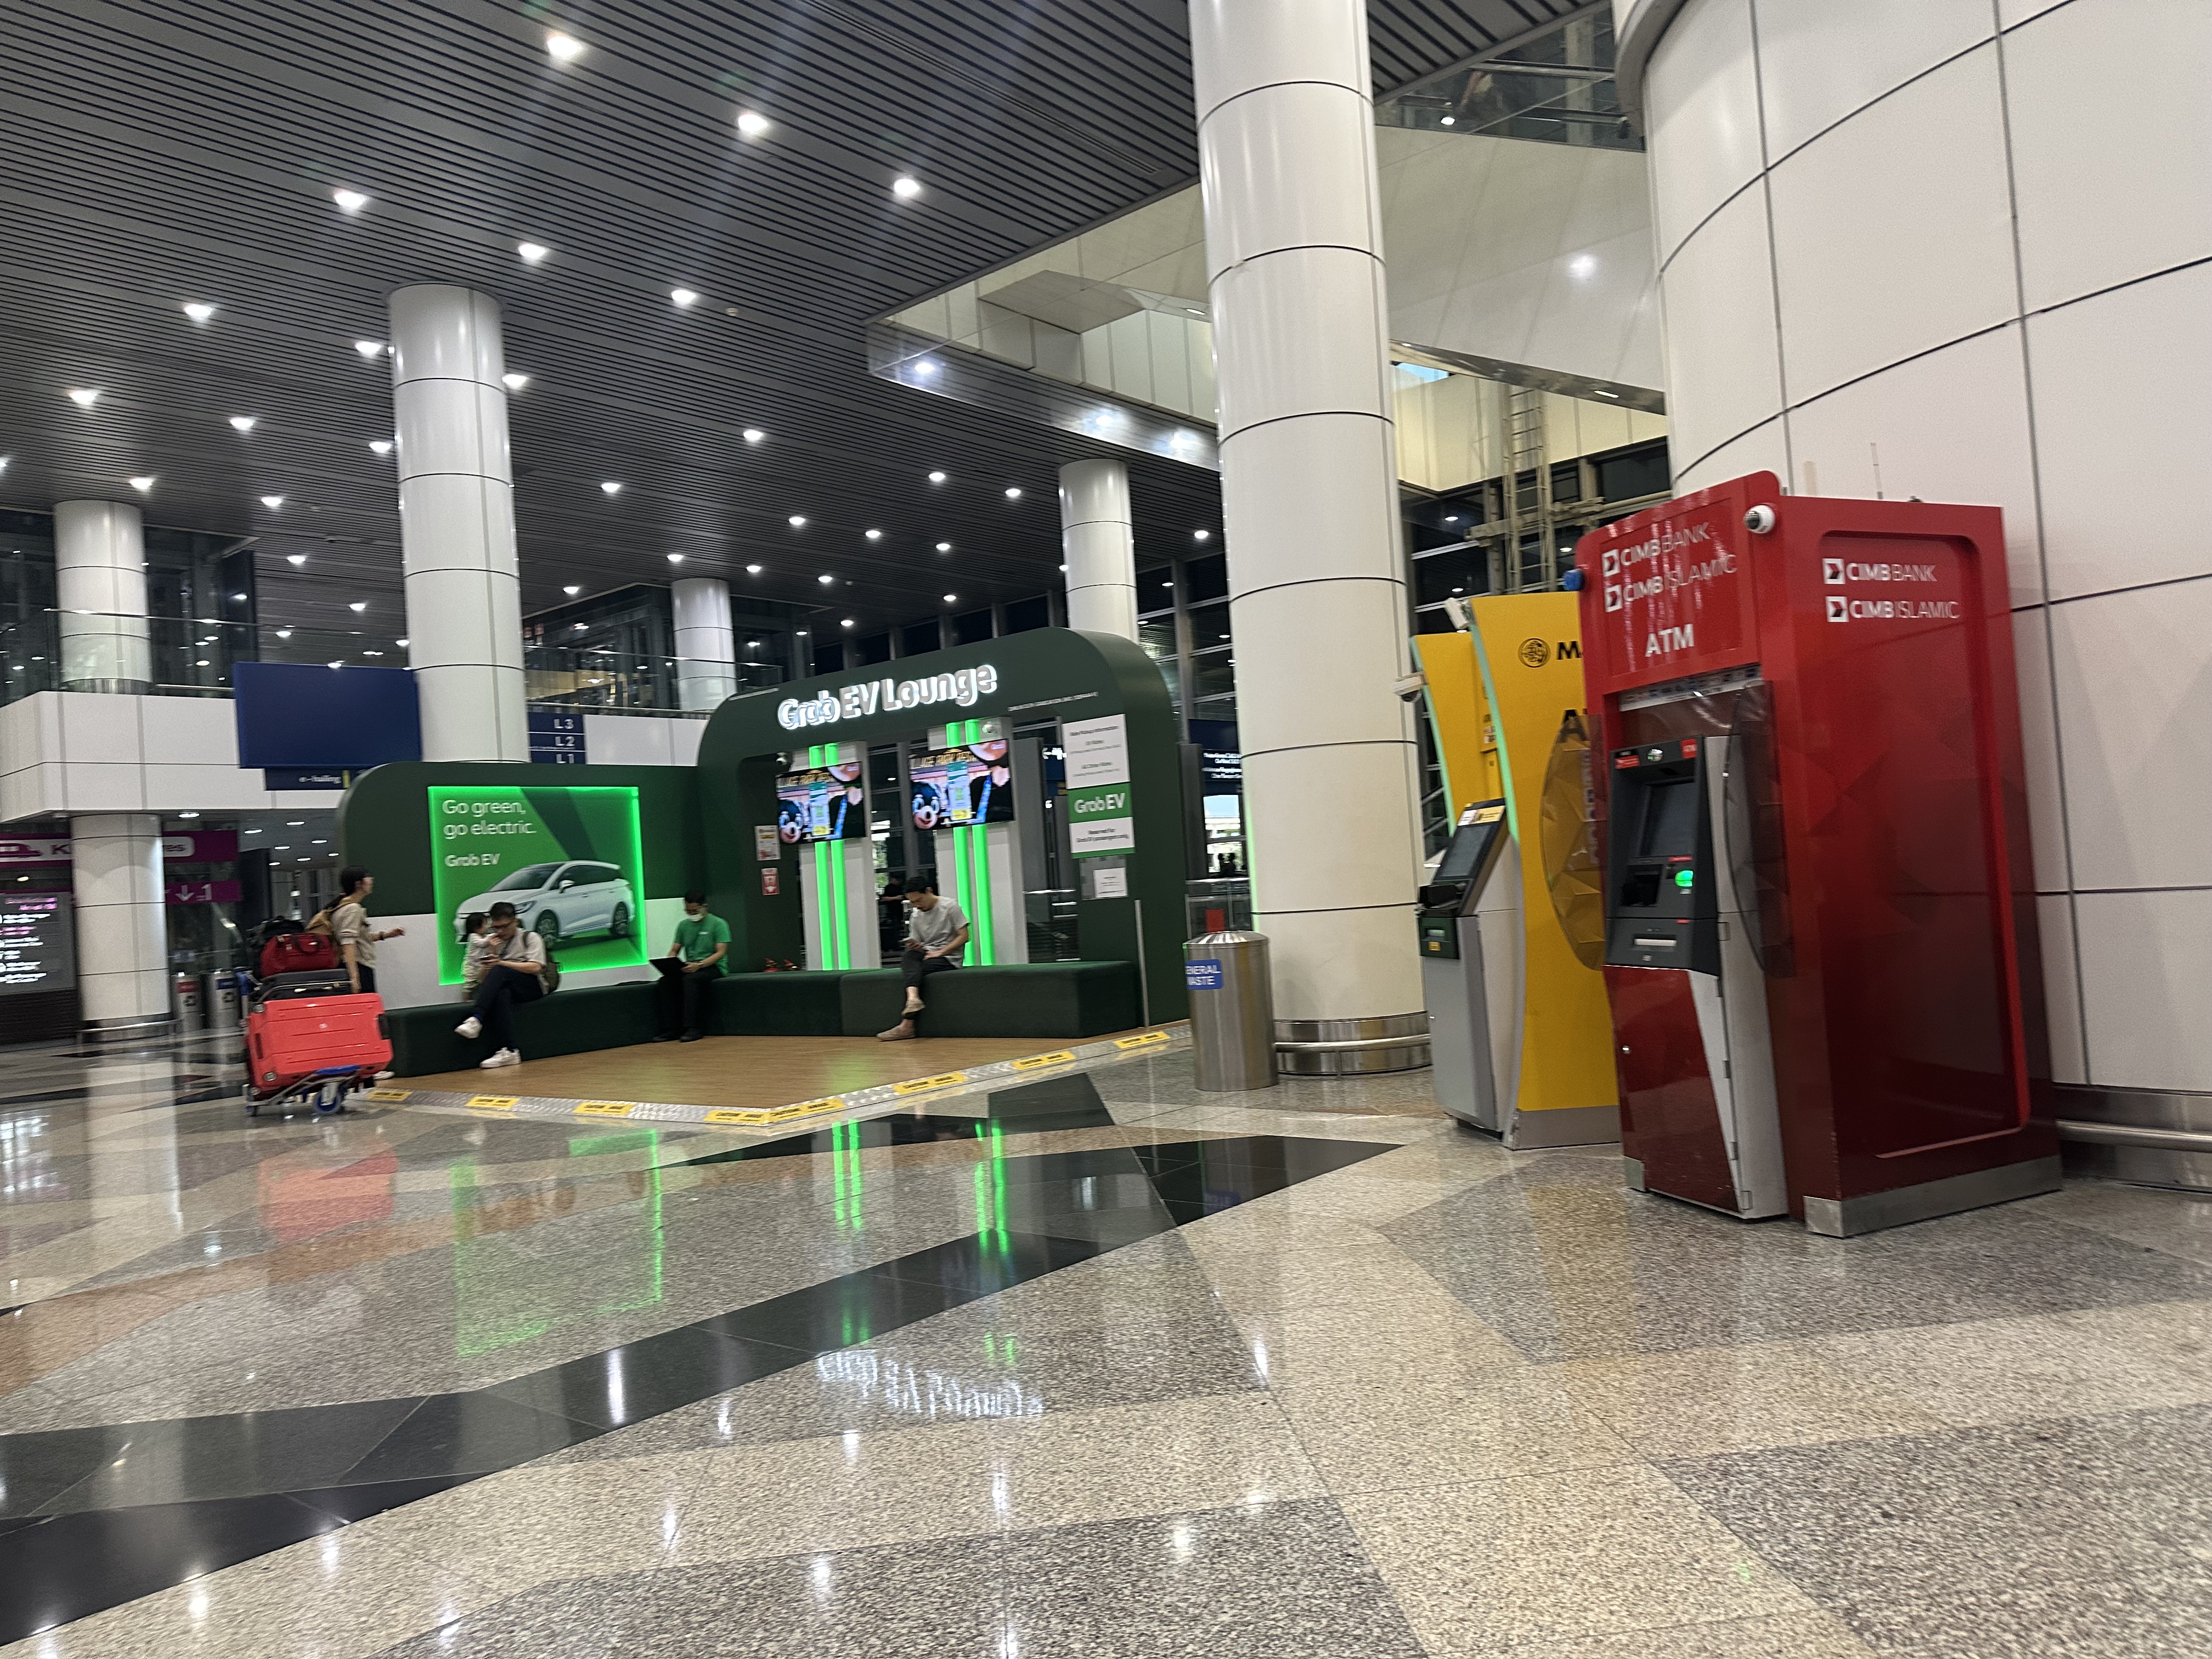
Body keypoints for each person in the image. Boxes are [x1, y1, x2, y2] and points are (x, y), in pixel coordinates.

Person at [454, 901, 547, 1068]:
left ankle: (476, 1018)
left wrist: (503, 964)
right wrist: (492, 953)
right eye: (496, 928)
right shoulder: (494, 942)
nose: (500, 932)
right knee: (502, 993)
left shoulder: (530, 938)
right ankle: (509, 1050)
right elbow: (484, 980)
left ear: (515, 922)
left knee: (501, 970)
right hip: (509, 985)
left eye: (504, 927)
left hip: (533, 986)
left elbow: (535, 967)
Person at [878, 875, 967, 1042]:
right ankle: (913, 999)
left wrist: (941, 952)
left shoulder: (950, 907)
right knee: (909, 958)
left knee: (915, 972)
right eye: (913, 903)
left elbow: (964, 936)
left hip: (948, 957)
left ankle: (907, 1025)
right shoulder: (917, 915)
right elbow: (919, 942)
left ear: (929, 891)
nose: (918, 906)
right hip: (927, 953)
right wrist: (916, 946)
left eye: (919, 900)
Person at [653, 889, 728, 1043]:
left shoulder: (719, 924)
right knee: (666, 981)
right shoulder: (683, 926)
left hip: (713, 967)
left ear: (705, 907)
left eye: (695, 911)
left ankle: (693, 1028)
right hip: (690, 967)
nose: (692, 914)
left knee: (690, 980)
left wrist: (699, 965)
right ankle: (671, 1028)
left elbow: (720, 953)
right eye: (688, 911)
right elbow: (675, 949)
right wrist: (671, 962)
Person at [331, 866, 405, 996]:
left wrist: (385, 935)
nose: (371, 880)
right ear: (358, 884)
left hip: (356, 967)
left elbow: (359, 938)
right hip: (359, 968)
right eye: (368, 877)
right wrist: (354, 978)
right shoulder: (353, 909)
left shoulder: (343, 907)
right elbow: (348, 943)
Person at [459, 911, 491, 997]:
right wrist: (492, 937)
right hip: (471, 966)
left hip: (478, 966)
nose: (488, 927)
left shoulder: (483, 936)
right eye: (485, 925)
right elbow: (482, 944)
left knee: (479, 984)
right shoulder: (473, 937)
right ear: (476, 927)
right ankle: (465, 1001)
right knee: (469, 985)